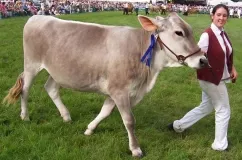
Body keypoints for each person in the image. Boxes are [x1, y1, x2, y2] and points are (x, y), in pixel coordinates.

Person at [168, 4, 238, 151]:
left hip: (213, 77)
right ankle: (219, 145)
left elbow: (226, 53)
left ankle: (178, 126)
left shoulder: (222, 33)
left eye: (224, 15)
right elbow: (197, 55)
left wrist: (232, 68)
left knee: (206, 107)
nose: (221, 18)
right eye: (218, 14)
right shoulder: (207, 35)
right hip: (211, 78)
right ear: (212, 16)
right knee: (223, 109)